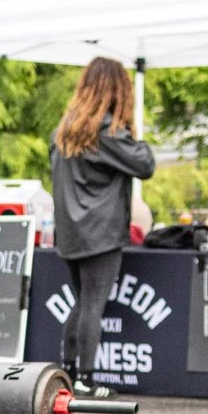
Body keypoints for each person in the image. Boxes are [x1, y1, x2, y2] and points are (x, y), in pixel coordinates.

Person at [47, 57, 156, 391]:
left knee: (81, 302)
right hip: (100, 230)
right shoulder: (107, 132)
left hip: (68, 230)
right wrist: (132, 131)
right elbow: (145, 164)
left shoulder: (62, 132)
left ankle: (66, 372)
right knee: (93, 303)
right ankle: (87, 379)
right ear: (117, 91)